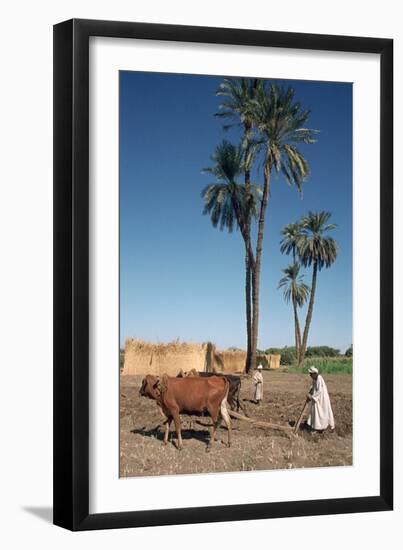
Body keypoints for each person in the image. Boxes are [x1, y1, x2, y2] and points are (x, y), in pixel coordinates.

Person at [306, 366, 335, 431]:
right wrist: (309, 393)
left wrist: (312, 397)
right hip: (317, 399)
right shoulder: (314, 379)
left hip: (322, 399)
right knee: (317, 412)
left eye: (311, 374)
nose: (310, 375)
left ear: (314, 374)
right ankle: (316, 426)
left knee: (323, 412)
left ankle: (323, 426)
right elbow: (313, 387)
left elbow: (319, 391)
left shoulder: (319, 378)